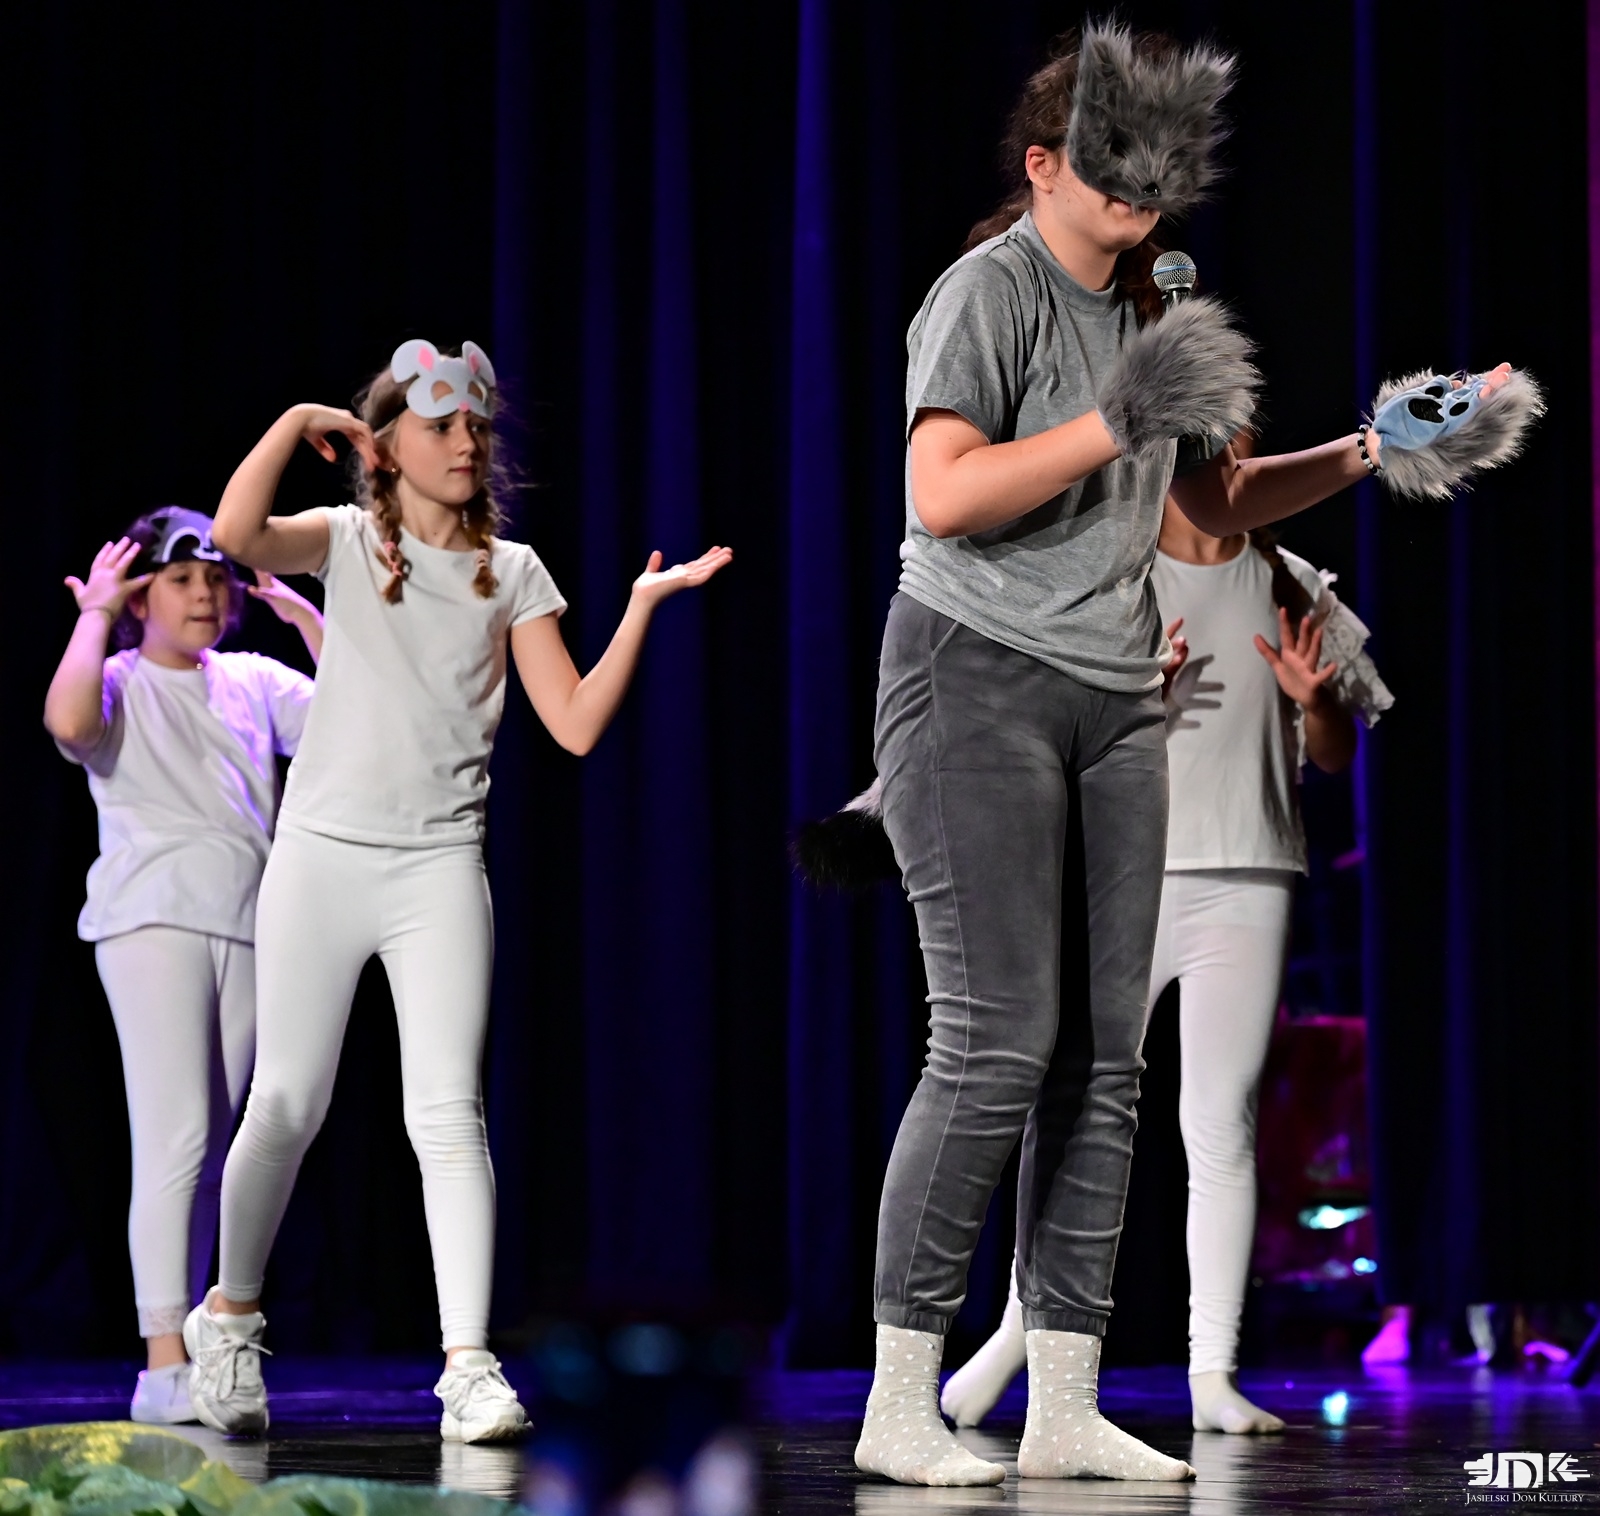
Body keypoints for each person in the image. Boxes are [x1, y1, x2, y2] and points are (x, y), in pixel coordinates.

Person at [851, 20, 1531, 1488]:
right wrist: (1118, 416)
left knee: (1104, 1064)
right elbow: (943, 492)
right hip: (974, 669)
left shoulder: (1163, 305)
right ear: (1046, 165)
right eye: (1109, 160)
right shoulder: (988, 290)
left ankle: (1065, 1401)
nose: (1139, 189)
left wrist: (1377, 447)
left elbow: (1206, 509)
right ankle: (899, 1399)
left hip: (1114, 690)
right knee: (992, 1040)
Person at [181, 339, 731, 1443]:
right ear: (386, 449)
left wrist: (638, 606)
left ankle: (468, 1364)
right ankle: (229, 1317)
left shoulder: (511, 571)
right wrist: (294, 423)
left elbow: (573, 724)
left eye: (475, 425)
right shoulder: (343, 541)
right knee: (286, 1102)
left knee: (446, 1112)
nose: (467, 443)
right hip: (322, 856)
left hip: (436, 865)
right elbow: (235, 537)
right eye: (440, 427)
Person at [938, 491, 1391, 1436]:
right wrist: (1140, 699)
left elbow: (1336, 755)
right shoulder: (1118, 578)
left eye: (1245, 450)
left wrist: (1315, 703)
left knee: (1220, 1127)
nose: (1235, 469)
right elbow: (1050, 732)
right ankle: (1022, 1328)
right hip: (1127, 877)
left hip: (1251, 876)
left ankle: (1212, 1373)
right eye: (1216, 452)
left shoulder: (1292, 584)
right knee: (1075, 1112)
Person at [44, 508, 322, 1424]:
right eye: (180, 579)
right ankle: (161, 1364)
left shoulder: (249, 679)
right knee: (176, 1136)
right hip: (151, 919)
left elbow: (351, 723)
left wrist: (306, 618)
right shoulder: (117, 678)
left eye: (216, 579)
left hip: (247, 924)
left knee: (216, 1151)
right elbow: (67, 721)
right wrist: (96, 615)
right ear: (143, 597)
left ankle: (192, 1352)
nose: (204, 594)